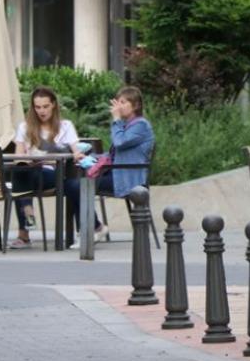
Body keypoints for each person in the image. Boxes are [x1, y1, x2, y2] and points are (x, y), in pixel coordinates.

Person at [63, 86, 154, 243]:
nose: (118, 107)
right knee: (71, 184)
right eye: (117, 102)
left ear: (136, 105)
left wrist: (116, 120)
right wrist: (92, 158)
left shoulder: (141, 125)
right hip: (117, 174)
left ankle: (93, 229)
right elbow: (116, 153)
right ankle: (90, 229)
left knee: (76, 186)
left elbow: (119, 142)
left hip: (128, 179)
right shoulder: (127, 125)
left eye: (123, 102)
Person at [9, 87, 82, 249]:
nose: (41, 111)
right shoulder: (24, 127)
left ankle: (24, 232)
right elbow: (18, 155)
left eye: (45, 106)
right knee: (20, 171)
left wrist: (77, 153)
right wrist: (27, 160)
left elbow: (76, 149)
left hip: (54, 175)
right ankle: (28, 217)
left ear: (54, 105)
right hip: (30, 173)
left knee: (22, 176)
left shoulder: (65, 126)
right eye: (38, 107)